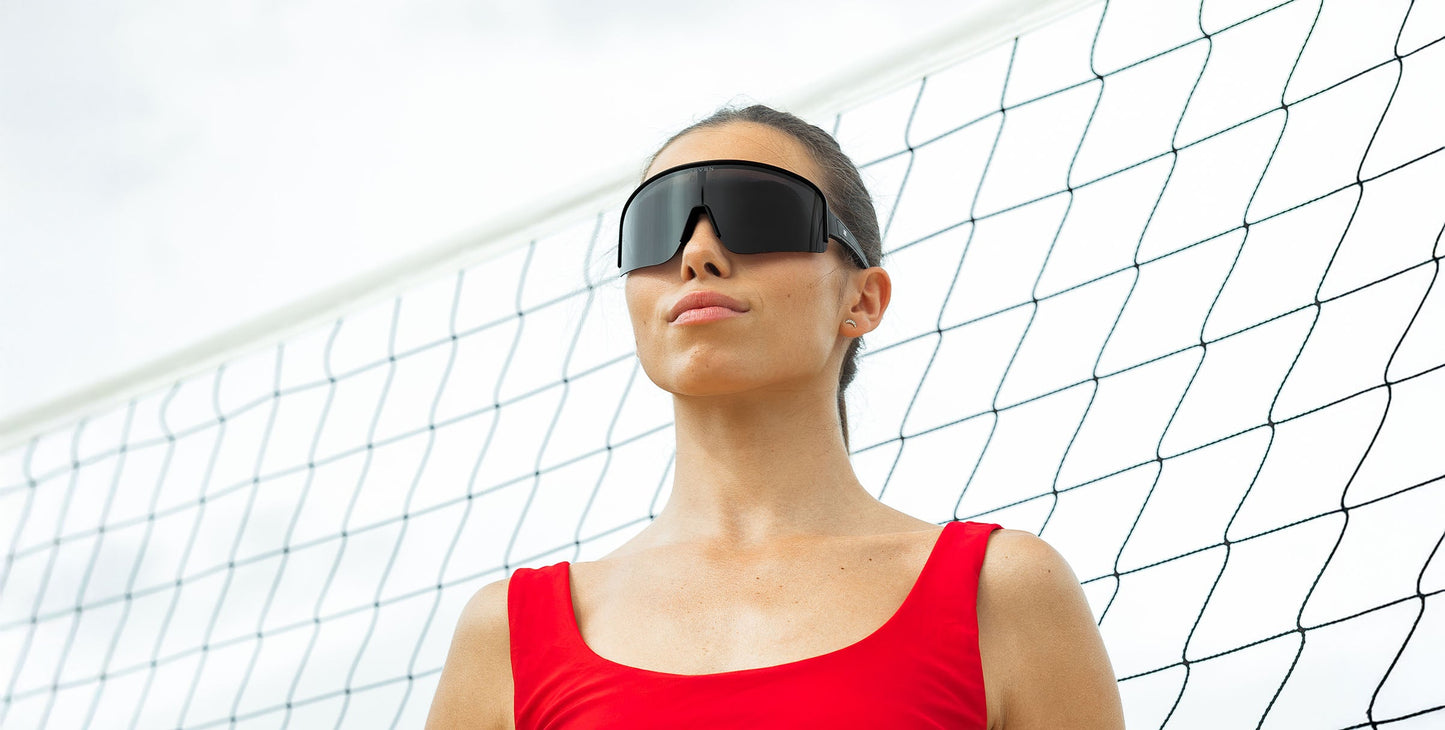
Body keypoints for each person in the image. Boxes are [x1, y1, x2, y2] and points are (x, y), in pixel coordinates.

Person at [426, 104, 1125, 729]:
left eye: (758, 213)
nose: (697, 253)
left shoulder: (999, 595)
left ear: (863, 300)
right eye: (657, 226)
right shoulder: (506, 638)